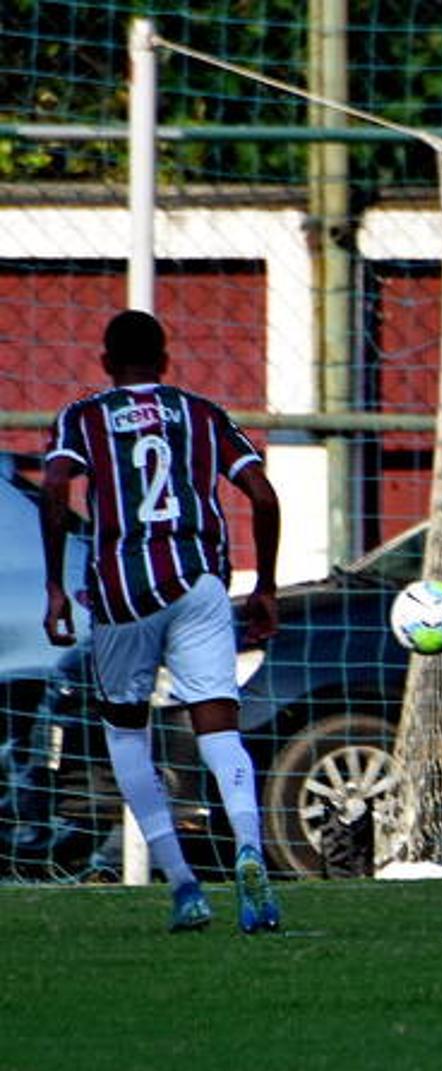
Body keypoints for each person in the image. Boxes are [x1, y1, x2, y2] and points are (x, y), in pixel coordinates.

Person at [38, 310, 283, 933]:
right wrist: (267, 586)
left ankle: (183, 885)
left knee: (126, 732)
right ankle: (249, 850)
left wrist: (55, 588)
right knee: (219, 727)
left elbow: (57, 482)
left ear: (105, 362)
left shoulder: (84, 416)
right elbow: (263, 495)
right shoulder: (200, 413)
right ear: (166, 361)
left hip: (122, 591)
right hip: (198, 578)